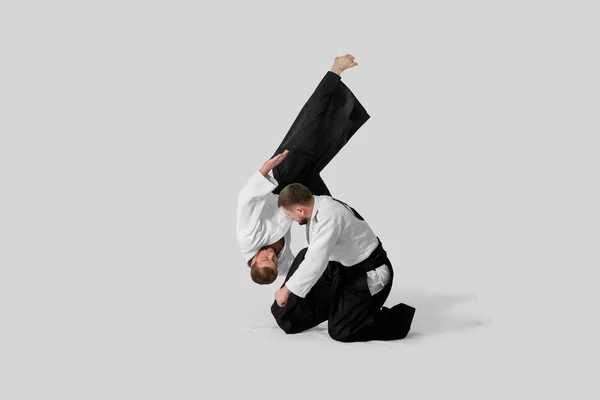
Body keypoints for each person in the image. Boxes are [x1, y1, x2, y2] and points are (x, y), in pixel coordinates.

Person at [236, 54, 370, 284]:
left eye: (265, 258)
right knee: (331, 210)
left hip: (280, 178)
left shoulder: (247, 238)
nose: (271, 255)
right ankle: (361, 259)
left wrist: (264, 170)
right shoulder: (282, 263)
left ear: (253, 261)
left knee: (310, 126)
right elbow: (296, 273)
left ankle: (335, 70)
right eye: (274, 260)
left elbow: (246, 199)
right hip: (297, 196)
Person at [272, 183, 416, 342]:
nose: (291, 219)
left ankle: (398, 318)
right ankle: (336, 303)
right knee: (290, 314)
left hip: (371, 273)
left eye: (290, 215)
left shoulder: (330, 214)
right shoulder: (316, 203)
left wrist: (287, 289)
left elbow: (316, 260)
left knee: (341, 330)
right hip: (342, 266)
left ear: (300, 210)